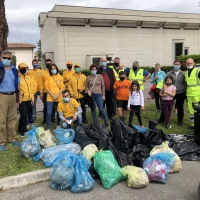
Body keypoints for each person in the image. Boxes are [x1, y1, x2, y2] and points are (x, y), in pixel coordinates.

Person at [0, 50, 20, 150]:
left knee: (12, 119)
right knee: (1, 120)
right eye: (5, 58)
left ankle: (11, 138)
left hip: (13, 96)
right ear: (1, 58)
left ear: (11, 59)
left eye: (9, 58)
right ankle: (1, 141)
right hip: (2, 96)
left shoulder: (14, 70)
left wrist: (18, 97)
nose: (7, 60)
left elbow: (17, 84)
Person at [18, 63, 37, 136]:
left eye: (25, 68)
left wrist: (32, 97)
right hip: (22, 99)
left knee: (25, 115)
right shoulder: (17, 77)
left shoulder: (29, 77)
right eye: (22, 68)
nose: (24, 69)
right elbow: (17, 88)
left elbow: (33, 87)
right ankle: (20, 130)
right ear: (19, 69)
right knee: (24, 114)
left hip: (29, 98)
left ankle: (24, 128)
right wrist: (20, 96)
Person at [44, 63, 64, 130]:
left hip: (59, 97)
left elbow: (62, 88)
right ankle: (48, 128)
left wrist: (57, 95)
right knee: (49, 113)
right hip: (50, 98)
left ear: (56, 69)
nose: (53, 70)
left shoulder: (60, 77)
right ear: (50, 70)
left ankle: (58, 124)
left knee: (59, 112)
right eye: (52, 69)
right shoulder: (48, 77)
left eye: (54, 68)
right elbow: (46, 87)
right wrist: (53, 95)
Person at [167, 60, 186, 126]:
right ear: (173, 64)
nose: (177, 65)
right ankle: (163, 119)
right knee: (167, 106)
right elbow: (165, 82)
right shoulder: (169, 73)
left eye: (178, 64)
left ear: (180, 65)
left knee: (180, 107)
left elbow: (185, 83)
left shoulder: (183, 74)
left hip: (180, 92)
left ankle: (180, 121)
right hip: (170, 92)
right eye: (175, 64)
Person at [185, 58, 200, 130]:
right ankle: (193, 124)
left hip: (197, 94)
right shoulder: (185, 72)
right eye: (187, 63)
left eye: (190, 63)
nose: (189, 65)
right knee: (191, 110)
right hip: (189, 94)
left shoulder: (198, 71)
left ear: (193, 63)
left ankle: (198, 124)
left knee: (198, 110)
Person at [27, 59, 43, 126]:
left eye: (36, 63)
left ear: (38, 64)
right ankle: (33, 117)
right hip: (34, 91)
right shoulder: (29, 72)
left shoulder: (41, 72)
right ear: (32, 64)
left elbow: (43, 82)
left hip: (41, 90)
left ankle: (46, 118)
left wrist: (42, 92)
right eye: (34, 63)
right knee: (33, 105)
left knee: (46, 104)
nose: (35, 64)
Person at [40, 59, 56, 124]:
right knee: (46, 106)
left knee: (53, 106)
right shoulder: (43, 73)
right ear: (45, 64)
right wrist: (41, 93)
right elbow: (41, 83)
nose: (48, 64)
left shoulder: (54, 72)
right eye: (47, 63)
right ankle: (45, 119)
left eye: (49, 63)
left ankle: (52, 118)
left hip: (54, 92)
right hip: (46, 92)